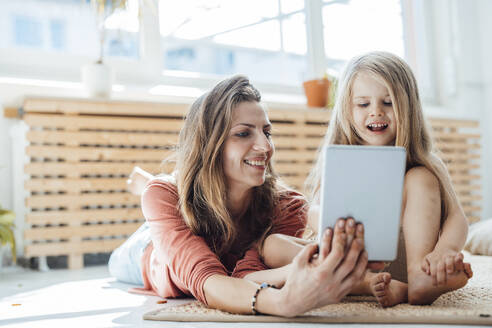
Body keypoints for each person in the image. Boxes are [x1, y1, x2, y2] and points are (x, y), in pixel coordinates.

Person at [108, 75, 377, 317]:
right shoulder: (164, 196)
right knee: (148, 209)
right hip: (147, 252)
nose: (265, 146)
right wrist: (284, 302)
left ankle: (150, 184)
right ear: (209, 145)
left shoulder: (287, 205)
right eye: (243, 133)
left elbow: (248, 275)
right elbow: (208, 281)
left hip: (196, 206)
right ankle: (144, 184)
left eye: (267, 132)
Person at [262, 51, 474, 308]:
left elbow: (456, 218)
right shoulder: (339, 159)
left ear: (407, 108)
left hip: (408, 261)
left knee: (420, 177)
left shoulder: (425, 165)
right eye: (363, 104)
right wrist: (332, 226)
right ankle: (369, 284)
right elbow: (315, 209)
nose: (376, 112)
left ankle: (418, 278)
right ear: (347, 111)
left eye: (388, 103)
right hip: (351, 261)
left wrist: (444, 251)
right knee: (273, 245)